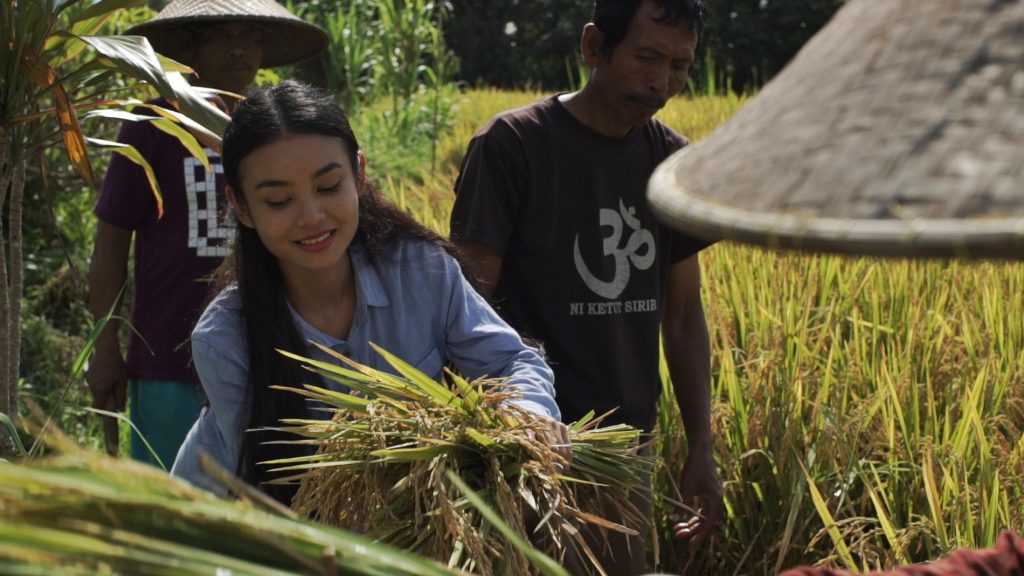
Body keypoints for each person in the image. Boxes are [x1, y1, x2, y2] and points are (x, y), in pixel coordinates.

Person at [170, 81, 566, 504]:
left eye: (327, 187)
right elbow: (268, 491)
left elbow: (508, 360)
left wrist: (529, 416)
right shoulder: (225, 338)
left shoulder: (421, 271)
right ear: (243, 207)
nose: (311, 216)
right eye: (279, 201)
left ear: (359, 174)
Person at [449, 0, 722, 571]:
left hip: (626, 449)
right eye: (646, 58)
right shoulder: (514, 145)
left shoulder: (671, 163)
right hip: (530, 445)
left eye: (679, 66)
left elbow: (683, 315)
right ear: (594, 47)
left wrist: (701, 444)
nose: (661, 83)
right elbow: (467, 310)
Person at [86, 0, 327, 466]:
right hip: (167, 359)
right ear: (191, 42)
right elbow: (111, 243)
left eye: (252, 35)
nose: (240, 48)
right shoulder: (154, 123)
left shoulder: (281, 128)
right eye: (222, 33)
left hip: (269, 352)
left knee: (259, 509)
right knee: (169, 516)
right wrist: (104, 347)